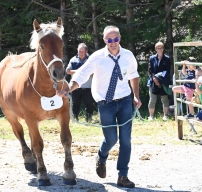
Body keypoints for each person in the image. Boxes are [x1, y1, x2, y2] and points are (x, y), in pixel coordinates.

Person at [57, 26, 141, 188]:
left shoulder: (128, 56)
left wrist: (136, 96)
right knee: (111, 139)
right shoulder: (97, 57)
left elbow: (134, 75)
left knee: (126, 140)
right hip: (105, 103)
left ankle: (122, 175)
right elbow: (81, 74)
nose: (113, 43)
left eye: (115, 39)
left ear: (119, 38)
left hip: (124, 101)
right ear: (105, 41)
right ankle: (101, 157)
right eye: (109, 40)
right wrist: (68, 89)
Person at [66, 43, 95, 122]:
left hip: (88, 87)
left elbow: (94, 72)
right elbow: (68, 71)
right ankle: (75, 118)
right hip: (75, 87)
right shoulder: (73, 60)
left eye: (82, 51)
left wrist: (84, 72)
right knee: (75, 103)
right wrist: (80, 71)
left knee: (89, 104)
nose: (81, 53)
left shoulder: (91, 60)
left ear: (86, 51)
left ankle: (89, 119)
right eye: (79, 51)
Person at [147, 42, 171, 121]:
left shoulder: (167, 58)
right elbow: (150, 70)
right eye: (158, 48)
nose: (159, 49)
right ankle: (151, 116)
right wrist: (154, 78)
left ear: (163, 49)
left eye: (161, 48)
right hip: (153, 81)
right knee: (152, 99)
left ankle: (165, 116)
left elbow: (167, 71)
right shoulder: (152, 58)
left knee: (165, 99)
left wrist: (160, 80)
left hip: (163, 81)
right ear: (155, 49)